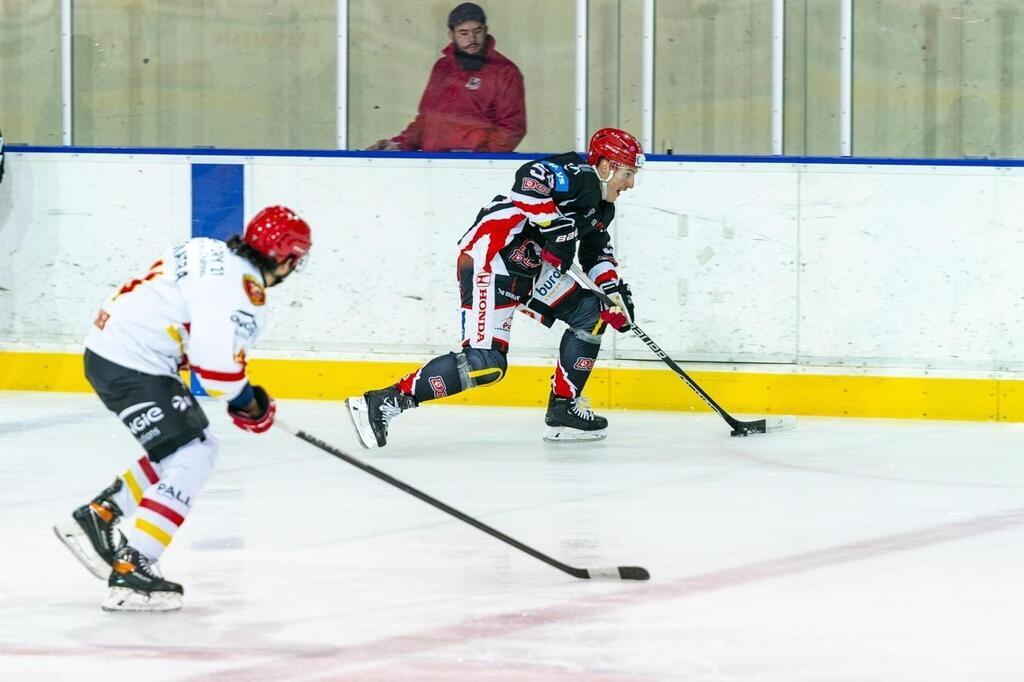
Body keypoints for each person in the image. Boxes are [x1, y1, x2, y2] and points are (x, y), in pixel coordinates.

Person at [54, 206, 312, 612]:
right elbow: (217, 372)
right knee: (195, 454)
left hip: (116, 348)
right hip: (131, 361)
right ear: (285, 257)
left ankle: (100, 515)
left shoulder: (209, 249)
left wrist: (240, 396)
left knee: (184, 445)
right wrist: (250, 403)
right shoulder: (244, 290)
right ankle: (132, 568)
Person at [347, 128, 643, 448]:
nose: (630, 184)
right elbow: (530, 177)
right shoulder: (580, 175)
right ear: (604, 166)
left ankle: (563, 409)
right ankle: (383, 402)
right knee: (486, 362)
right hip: (494, 256)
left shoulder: (602, 207)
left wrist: (614, 294)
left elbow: (595, 251)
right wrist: (554, 224)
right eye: (626, 173)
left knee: (592, 313)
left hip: (530, 266)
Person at [366, 2, 526, 153]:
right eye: (463, 33)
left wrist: (482, 158)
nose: (472, 39)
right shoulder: (442, 67)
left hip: (476, 168)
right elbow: (426, 119)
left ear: (486, 30)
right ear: (451, 35)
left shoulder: (505, 71)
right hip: (435, 165)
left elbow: (512, 128)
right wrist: (399, 144)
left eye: (477, 31)